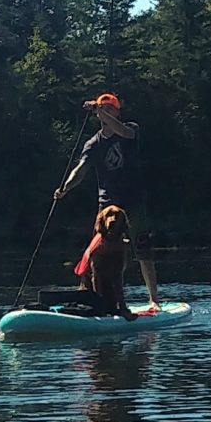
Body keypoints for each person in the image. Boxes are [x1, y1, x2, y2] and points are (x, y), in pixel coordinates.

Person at [55, 92, 159, 310]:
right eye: (103, 108)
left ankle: (153, 300)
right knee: (97, 252)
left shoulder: (130, 129)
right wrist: (65, 187)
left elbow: (122, 131)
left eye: (110, 108)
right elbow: (81, 169)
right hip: (107, 204)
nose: (106, 111)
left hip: (133, 200)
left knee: (141, 248)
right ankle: (95, 298)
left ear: (117, 111)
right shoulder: (93, 143)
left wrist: (99, 110)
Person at [74, 204, 134, 316]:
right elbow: (96, 278)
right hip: (90, 292)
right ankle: (99, 307)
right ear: (102, 220)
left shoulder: (120, 245)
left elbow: (118, 278)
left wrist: (122, 305)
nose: (112, 219)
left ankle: (121, 306)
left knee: (117, 278)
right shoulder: (98, 249)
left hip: (109, 293)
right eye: (109, 216)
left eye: (116, 215)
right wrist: (99, 306)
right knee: (97, 277)